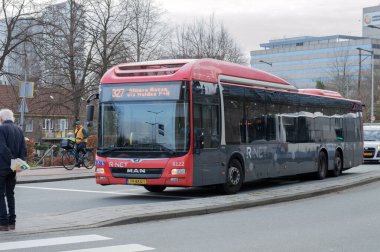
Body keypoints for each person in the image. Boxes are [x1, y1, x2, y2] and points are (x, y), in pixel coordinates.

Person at [0, 109, 26, 231]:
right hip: (13, 167)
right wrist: (18, 163)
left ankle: (3, 223)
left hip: (2, 166)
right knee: (10, 194)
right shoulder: (19, 130)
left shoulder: (1, 129)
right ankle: (12, 222)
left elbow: (2, 148)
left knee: (0, 195)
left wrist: (11, 160)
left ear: (1, 119)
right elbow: (23, 149)